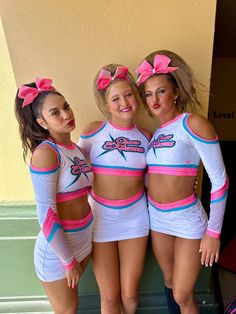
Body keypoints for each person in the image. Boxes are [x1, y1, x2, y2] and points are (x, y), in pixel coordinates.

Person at [135, 51, 228, 314]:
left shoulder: (193, 124)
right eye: (148, 94)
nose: (153, 99)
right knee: (168, 281)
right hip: (157, 218)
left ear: (175, 93)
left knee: (182, 293)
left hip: (187, 220)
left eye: (161, 91)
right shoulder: (154, 135)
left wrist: (213, 233)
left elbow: (220, 181)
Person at [15, 78, 94, 314]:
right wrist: (68, 261)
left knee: (72, 307)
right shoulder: (46, 154)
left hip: (83, 241)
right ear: (41, 122)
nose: (66, 114)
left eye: (66, 106)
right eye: (55, 112)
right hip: (59, 251)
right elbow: (46, 213)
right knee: (67, 311)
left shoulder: (78, 150)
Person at [78, 65, 151, 314]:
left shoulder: (147, 137)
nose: (124, 102)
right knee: (109, 298)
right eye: (115, 98)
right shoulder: (92, 132)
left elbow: (155, 178)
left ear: (137, 96)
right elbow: (75, 169)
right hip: (100, 218)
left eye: (128, 94)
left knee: (129, 293)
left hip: (135, 217)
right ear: (106, 106)